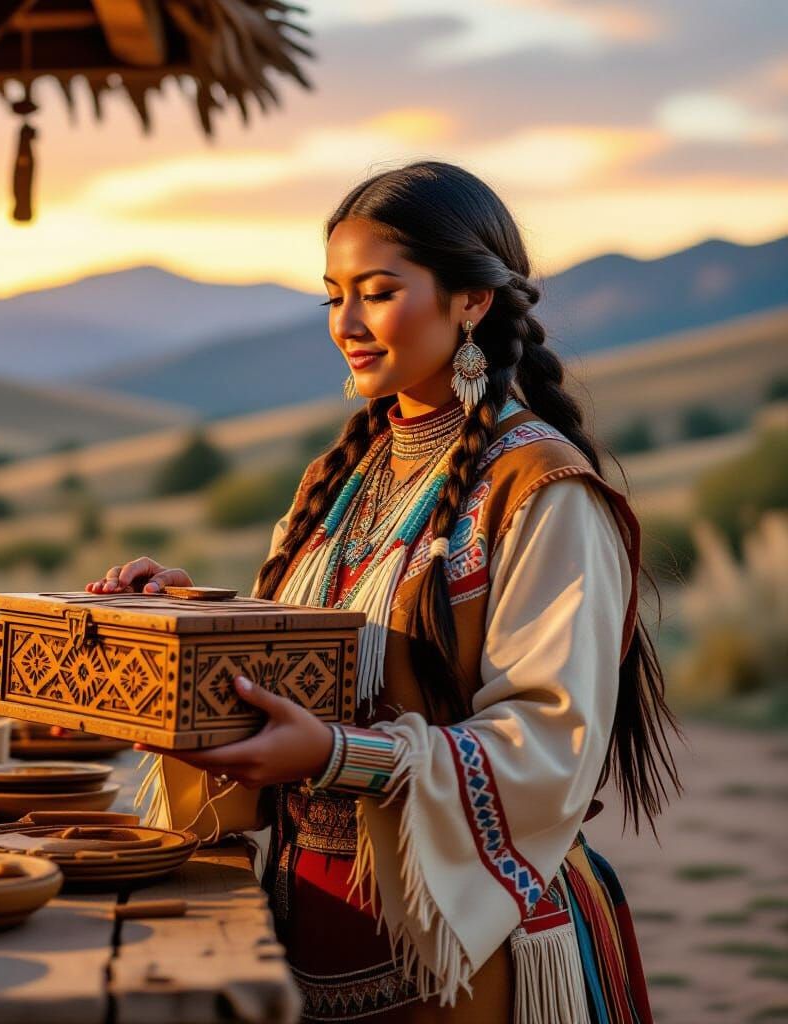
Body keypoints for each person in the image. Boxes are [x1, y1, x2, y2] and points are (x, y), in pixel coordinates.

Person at [86, 161, 680, 1023]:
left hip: (469, 950)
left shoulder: (542, 491)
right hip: (307, 921)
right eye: (332, 296)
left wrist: (334, 756)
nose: (346, 324)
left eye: (376, 292)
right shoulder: (343, 479)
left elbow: (550, 741)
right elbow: (305, 661)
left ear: (471, 300)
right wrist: (185, 617)